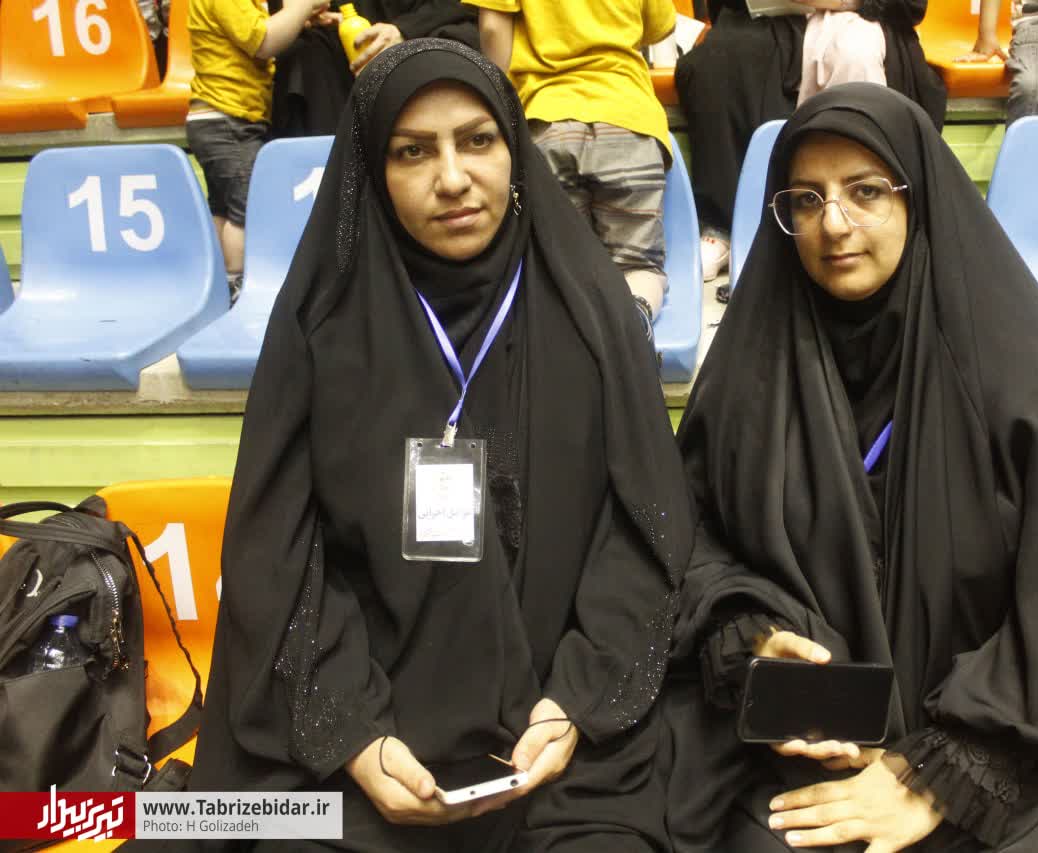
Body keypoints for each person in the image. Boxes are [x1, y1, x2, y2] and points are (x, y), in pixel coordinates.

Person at [182, 38, 692, 852]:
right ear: (371, 172)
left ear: (514, 151)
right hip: (364, 747)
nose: (452, 178)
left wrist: (578, 699)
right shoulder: (323, 330)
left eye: (477, 140)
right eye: (412, 151)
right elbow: (277, 553)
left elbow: (644, 532)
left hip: (563, 749)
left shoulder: (593, 314)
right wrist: (353, 733)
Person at [660, 82, 1038, 852]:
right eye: (806, 199)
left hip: (1014, 740)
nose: (835, 223)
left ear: (918, 196)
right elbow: (690, 542)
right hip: (811, 738)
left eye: (866, 191)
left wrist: (937, 775)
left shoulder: (1026, 377)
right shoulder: (748, 374)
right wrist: (750, 635)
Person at [676, 0, 944, 283]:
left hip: (866, 16)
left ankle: (879, 212)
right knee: (716, 63)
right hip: (766, 23)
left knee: (857, 54)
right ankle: (724, 226)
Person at [469, 0, 675, 338]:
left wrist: (499, 104)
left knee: (561, 263)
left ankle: (575, 344)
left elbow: (493, 28)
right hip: (628, 121)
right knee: (638, 265)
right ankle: (632, 324)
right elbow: (659, 27)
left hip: (547, 120)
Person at [187, 0, 331, 300]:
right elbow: (263, 41)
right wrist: (299, 7)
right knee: (248, 208)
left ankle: (217, 283)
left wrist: (298, 19)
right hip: (228, 120)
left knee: (224, 207)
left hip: (217, 121)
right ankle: (238, 284)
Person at [270, 0, 480, 137]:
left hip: (423, 32)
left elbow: (463, 6)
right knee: (303, 53)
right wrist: (301, 13)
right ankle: (328, 166)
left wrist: (404, 30)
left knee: (460, 38)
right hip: (340, 55)